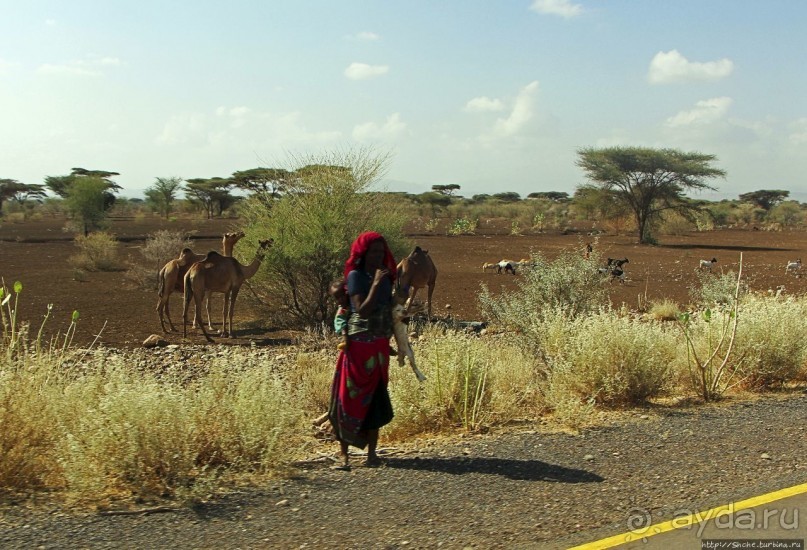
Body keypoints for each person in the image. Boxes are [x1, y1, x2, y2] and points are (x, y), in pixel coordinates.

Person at [327, 231, 397, 470]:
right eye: (373, 252)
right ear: (363, 253)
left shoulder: (386, 279)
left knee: (375, 398)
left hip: (378, 347)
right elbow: (362, 311)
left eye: (381, 252)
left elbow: (387, 310)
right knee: (348, 398)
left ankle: (372, 456)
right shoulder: (355, 277)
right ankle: (344, 456)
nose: (378, 256)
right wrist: (376, 283)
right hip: (357, 346)